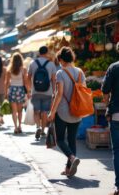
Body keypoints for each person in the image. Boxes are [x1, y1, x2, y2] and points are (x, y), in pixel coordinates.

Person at [48, 47, 84, 177]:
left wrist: (52, 111)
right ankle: (69, 169)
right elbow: (83, 90)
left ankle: (72, 158)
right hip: (77, 111)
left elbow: (59, 94)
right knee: (72, 140)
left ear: (62, 60)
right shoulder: (80, 72)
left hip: (63, 111)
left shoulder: (60, 73)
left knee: (60, 140)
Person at [28, 46, 57, 140]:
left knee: (36, 111)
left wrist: (29, 90)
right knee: (44, 112)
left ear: (39, 52)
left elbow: (28, 77)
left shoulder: (33, 63)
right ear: (47, 53)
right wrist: (54, 91)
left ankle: (38, 127)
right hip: (47, 91)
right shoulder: (51, 64)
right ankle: (43, 130)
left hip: (35, 91)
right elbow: (53, 79)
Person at [102, 61, 119, 195]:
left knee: (117, 151)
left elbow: (105, 91)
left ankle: (118, 186)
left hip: (117, 115)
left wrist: (108, 107)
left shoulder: (113, 67)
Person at [5, 53, 28, 134]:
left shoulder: (9, 69)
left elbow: (7, 83)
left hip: (12, 90)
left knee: (14, 111)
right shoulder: (23, 69)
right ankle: (20, 126)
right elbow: (25, 81)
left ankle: (15, 127)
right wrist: (28, 91)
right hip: (20, 90)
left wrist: (5, 93)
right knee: (20, 110)